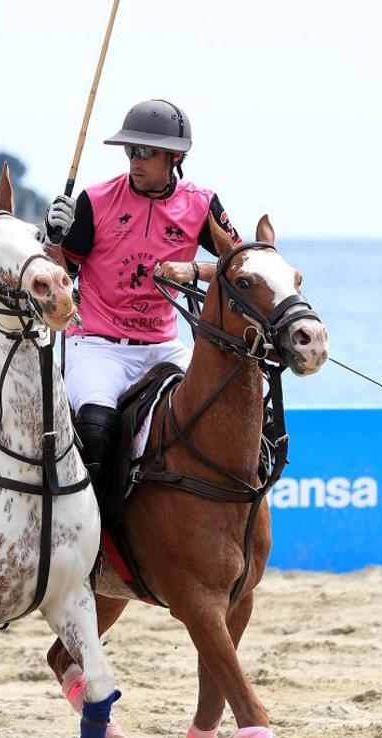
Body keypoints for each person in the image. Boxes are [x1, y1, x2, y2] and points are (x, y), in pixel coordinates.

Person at [43, 99, 237, 479]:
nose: (135, 160)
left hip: (162, 347)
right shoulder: (96, 200)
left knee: (222, 410)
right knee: (96, 430)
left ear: (174, 157)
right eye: (131, 150)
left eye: (146, 152)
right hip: (98, 344)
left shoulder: (202, 205)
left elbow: (241, 266)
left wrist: (193, 269)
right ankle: (88, 532)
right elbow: (62, 276)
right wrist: (52, 236)